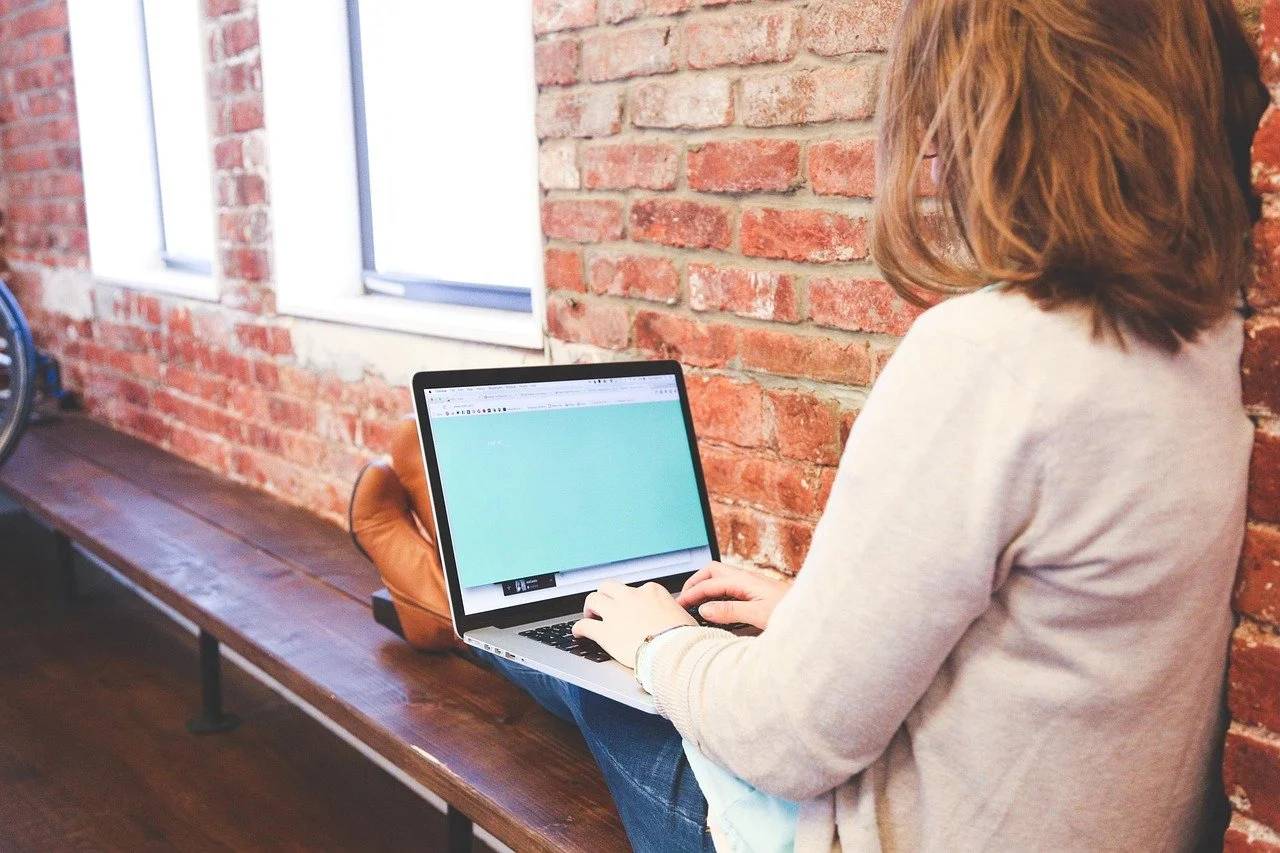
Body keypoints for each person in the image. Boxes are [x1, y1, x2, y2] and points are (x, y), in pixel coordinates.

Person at [351, 0, 1270, 849]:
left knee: (613, 673)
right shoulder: (1221, 347)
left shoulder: (992, 356)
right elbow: (1050, 644)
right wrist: (813, 621)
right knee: (638, 630)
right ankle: (460, 600)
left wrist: (661, 640)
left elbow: (789, 744)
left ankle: (444, 598)